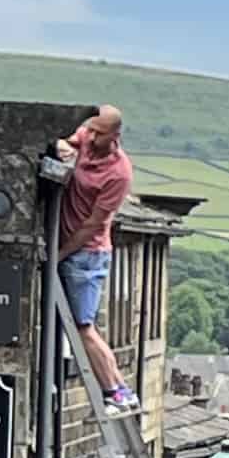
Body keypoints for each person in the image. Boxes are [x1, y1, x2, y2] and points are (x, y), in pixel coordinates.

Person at [50, 106, 138, 411]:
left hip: (87, 254)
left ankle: (113, 391)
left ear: (116, 135)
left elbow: (94, 224)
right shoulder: (86, 137)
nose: (92, 136)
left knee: (83, 327)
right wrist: (63, 146)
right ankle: (121, 389)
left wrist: (59, 254)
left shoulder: (119, 173)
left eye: (101, 133)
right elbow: (67, 142)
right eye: (92, 129)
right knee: (82, 326)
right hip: (72, 249)